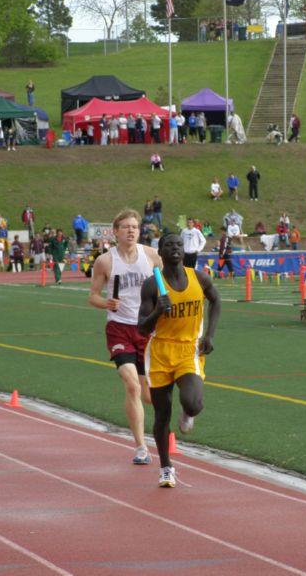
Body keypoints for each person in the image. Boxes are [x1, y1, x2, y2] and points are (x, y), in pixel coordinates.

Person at [137, 232, 221, 487]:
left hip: (189, 351)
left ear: (183, 251)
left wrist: (209, 335)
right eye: (169, 245)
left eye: (178, 245)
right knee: (162, 413)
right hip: (161, 352)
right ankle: (165, 467)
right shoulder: (153, 285)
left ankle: (188, 412)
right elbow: (141, 328)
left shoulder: (199, 278)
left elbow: (216, 300)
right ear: (160, 253)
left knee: (193, 403)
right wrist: (158, 311)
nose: (175, 248)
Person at [89, 209, 163, 466]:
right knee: (131, 384)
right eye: (126, 227)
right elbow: (93, 296)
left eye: (135, 227)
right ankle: (141, 446)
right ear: (116, 232)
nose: (131, 231)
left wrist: (162, 305)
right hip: (119, 328)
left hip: (147, 329)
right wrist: (106, 303)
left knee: (149, 396)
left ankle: (155, 430)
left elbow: (163, 287)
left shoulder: (152, 256)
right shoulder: (105, 261)